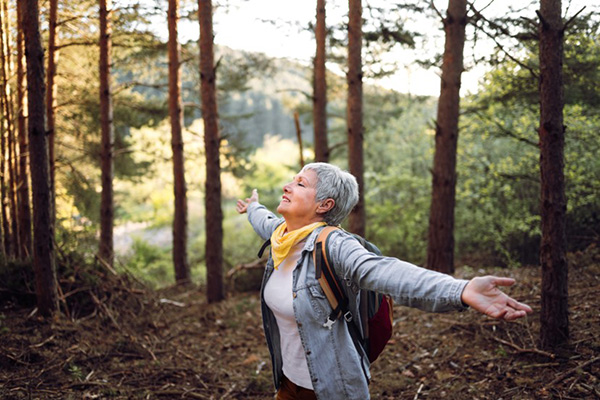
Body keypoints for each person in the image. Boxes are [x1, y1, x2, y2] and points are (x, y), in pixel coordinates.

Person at [236, 162, 532, 400]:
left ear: (325, 205)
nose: (287, 186)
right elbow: (264, 222)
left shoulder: (335, 246)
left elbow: (386, 272)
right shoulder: (283, 236)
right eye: (292, 179)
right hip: (287, 383)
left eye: (300, 183)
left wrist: (461, 289)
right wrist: (252, 208)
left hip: (330, 387)